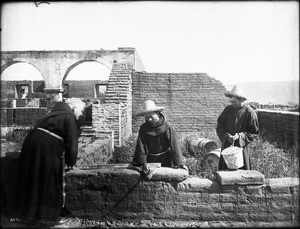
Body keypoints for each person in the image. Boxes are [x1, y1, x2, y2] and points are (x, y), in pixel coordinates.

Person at [15, 97, 86, 226]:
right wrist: (71, 161)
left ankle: (29, 215)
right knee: (49, 179)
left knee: (34, 180)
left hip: (32, 144)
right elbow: (72, 142)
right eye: (80, 111)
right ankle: (49, 216)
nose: (79, 115)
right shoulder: (68, 117)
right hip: (46, 147)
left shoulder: (52, 114)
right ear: (74, 108)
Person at [132, 100, 188, 175]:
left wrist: (179, 163)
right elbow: (141, 146)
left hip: (165, 159)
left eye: (151, 116)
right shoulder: (143, 128)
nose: (149, 119)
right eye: (147, 117)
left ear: (157, 113)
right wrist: (143, 163)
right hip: (149, 160)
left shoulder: (167, 126)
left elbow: (174, 145)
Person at [216, 85, 259, 170]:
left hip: (241, 148)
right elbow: (220, 126)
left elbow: (254, 132)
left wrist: (240, 136)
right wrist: (227, 136)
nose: (232, 104)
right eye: (231, 101)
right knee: (225, 171)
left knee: (242, 172)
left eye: (234, 102)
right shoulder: (227, 110)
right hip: (227, 147)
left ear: (242, 101)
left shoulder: (250, 113)